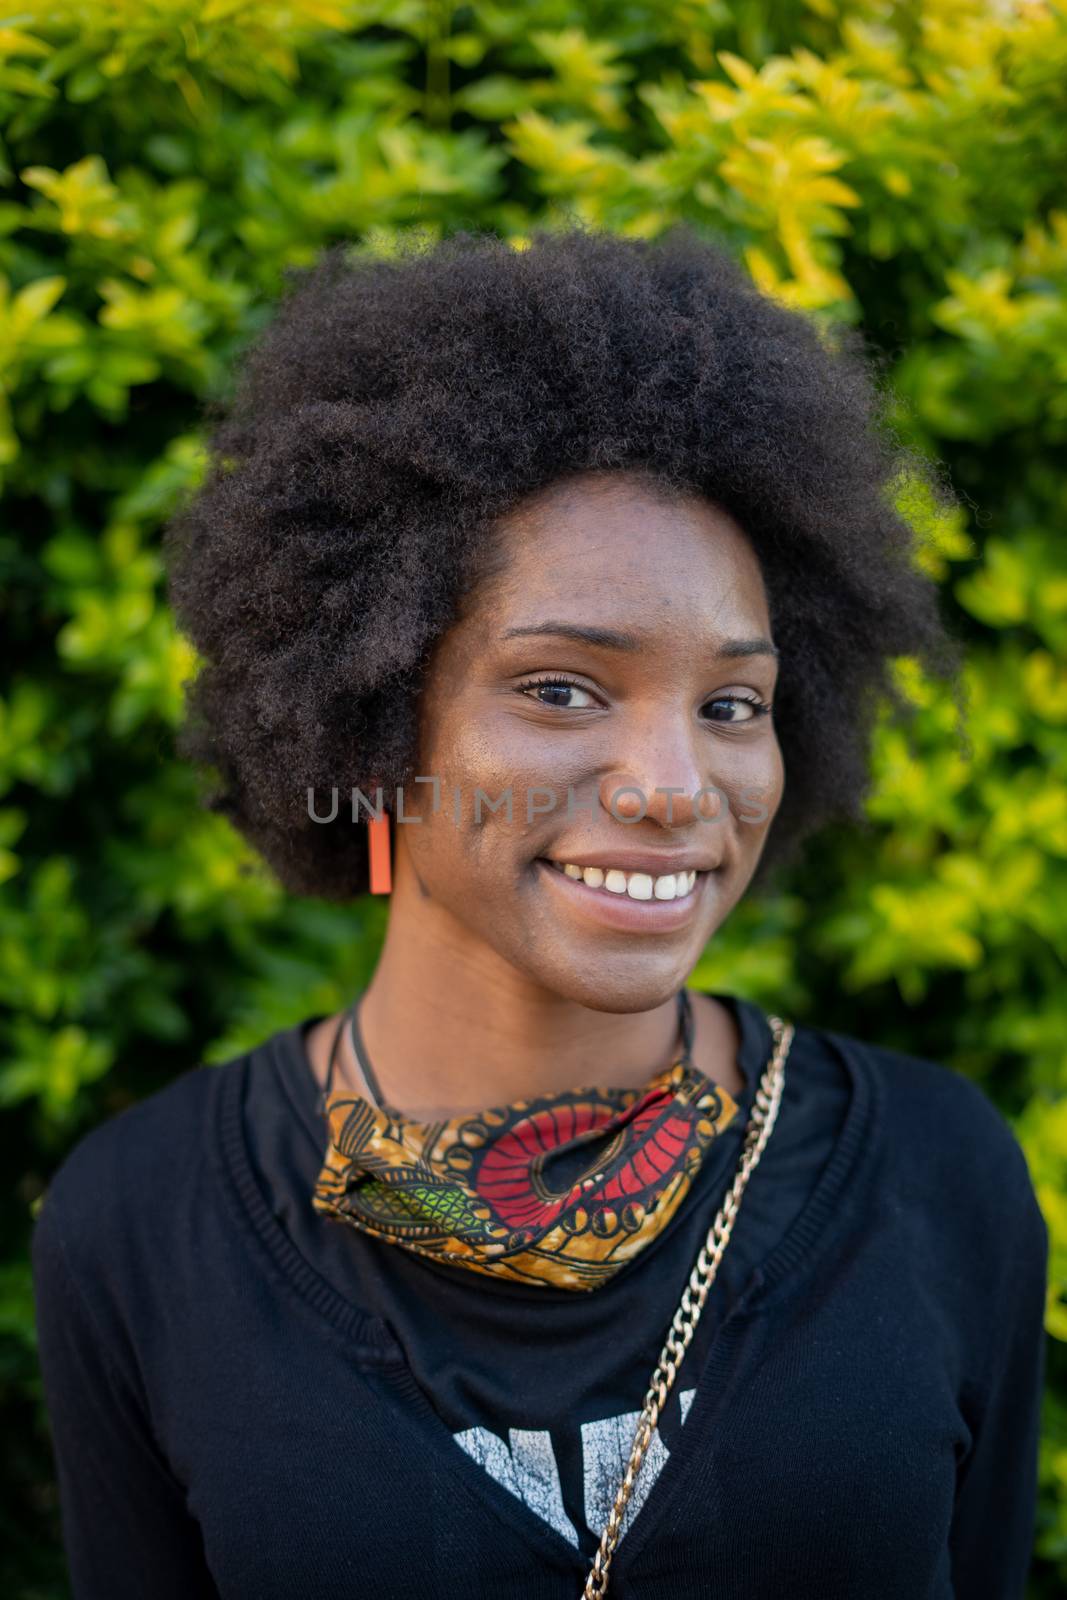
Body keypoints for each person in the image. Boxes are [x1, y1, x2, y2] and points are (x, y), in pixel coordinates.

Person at [31, 225, 1048, 1599]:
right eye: (563, 688)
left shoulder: (939, 1180)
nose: (677, 787)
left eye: (732, 705)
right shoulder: (140, 1227)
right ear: (373, 724)